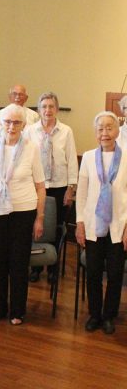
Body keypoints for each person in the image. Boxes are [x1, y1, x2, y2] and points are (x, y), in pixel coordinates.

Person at [0, 104, 46, 325]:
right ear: (0, 123)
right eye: (7, 122)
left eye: (16, 122)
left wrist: (39, 217)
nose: (11, 126)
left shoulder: (31, 147)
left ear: (23, 125)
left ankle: (17, 310)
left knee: (19, 261)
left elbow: (40, 186)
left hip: (23, 210)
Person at [76, 111, 127, 335]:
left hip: (119, 226)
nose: (104, 133)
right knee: (93, 272)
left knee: (115, 274)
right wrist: (79, 223)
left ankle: (109, 315)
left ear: (117, 131)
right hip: (92, 225)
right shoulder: (88, 157)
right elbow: (82, 194)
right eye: (100, 129)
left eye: (109, 128)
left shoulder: (126, 157)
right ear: (95, 133)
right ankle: (95, 314)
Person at [25, 92, 78, 283]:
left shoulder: (66, 131)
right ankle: (36, 267)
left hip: (59, 186)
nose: (48, 110)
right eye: (44, 107)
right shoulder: (30, 130)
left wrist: (71, 188)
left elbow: (71, 160)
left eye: (51, 106)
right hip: (36, 187)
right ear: (38, 110)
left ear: (56, 109)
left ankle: (54, 268)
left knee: (56, 228)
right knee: (36, 226)